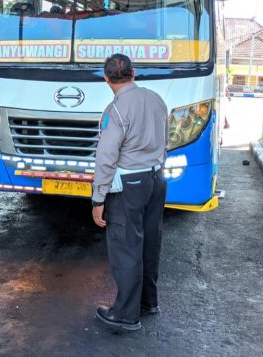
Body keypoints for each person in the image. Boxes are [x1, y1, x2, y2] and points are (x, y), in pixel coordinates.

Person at [91, 53, 168, 331]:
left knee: (126, 246)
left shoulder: (116, 110)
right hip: (156, 179)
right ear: (134, 74)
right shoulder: (156, 99)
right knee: (149, 241)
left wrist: (98, 198)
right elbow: (166, 139)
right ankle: (148, 302)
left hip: (129, 185)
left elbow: (106, 156)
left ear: (106, 79)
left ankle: (125, 314)